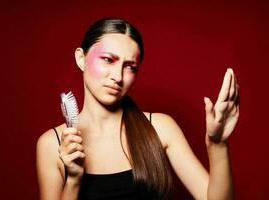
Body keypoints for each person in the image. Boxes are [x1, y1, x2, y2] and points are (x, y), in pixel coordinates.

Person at [36, 18, 239, 200]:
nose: (118, 76)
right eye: (108, 59)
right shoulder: (52, 144)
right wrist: (73, 180)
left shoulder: (160, 128)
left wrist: (218, 144)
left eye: (130, 67)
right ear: (81, 58)